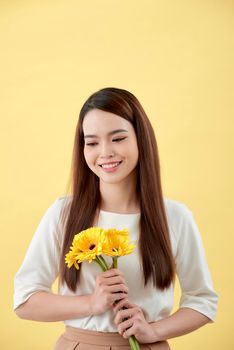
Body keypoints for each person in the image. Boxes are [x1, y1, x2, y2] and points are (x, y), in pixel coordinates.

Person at [14, 87, 218, 350]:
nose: (105, 152)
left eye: (118, 138)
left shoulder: (175, 217)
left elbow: (202, 300)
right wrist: (91, 303)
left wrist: (153, 330)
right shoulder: (63, 214)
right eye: (92, 142)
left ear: (140, 139)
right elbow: (25, 300)